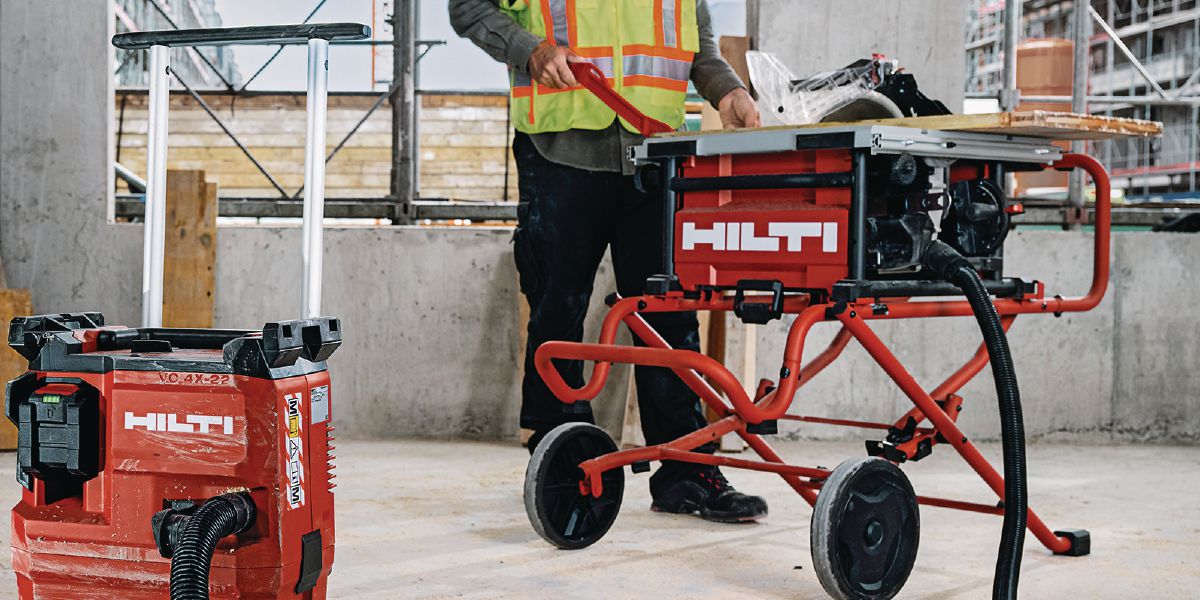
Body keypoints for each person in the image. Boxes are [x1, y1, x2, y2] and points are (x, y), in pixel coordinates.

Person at [450, 0, 766, 523]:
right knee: (558, 310)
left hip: (654, 151)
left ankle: (687, 472)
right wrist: (529, 51)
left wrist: (726, 88)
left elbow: (694, 39)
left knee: (668, 317)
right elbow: (467, 8)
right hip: (560, 151)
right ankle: (564, 463)